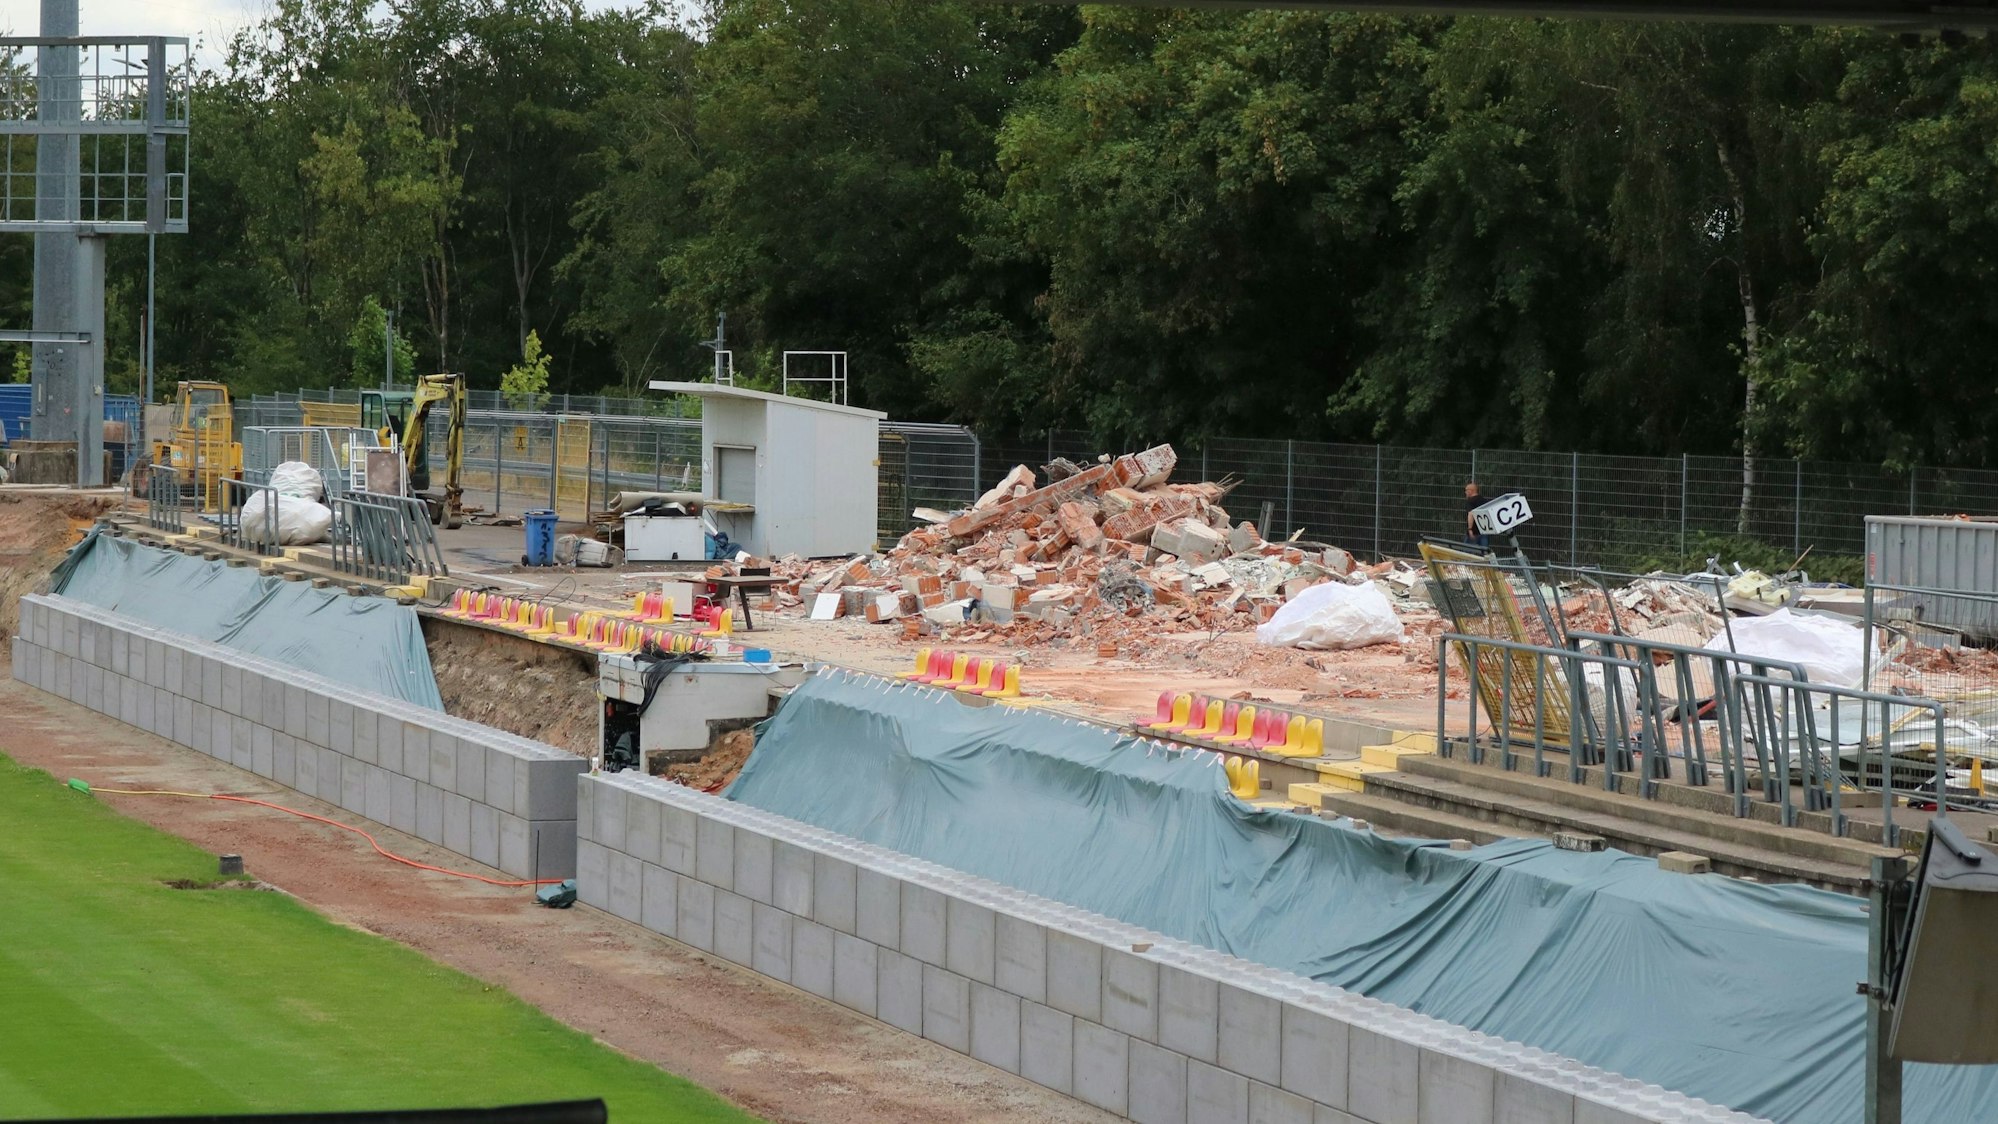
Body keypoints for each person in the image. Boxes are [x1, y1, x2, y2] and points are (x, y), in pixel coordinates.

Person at [1464, 481, 1490, 549]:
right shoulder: (1484, 500)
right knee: (1484, 551)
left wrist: (1470, 529)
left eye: (1466, 490)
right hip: (1484, 530)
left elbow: (1471, 514)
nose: (1465, 492)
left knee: (1467, 551)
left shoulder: (1470, 501)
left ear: (1471, 491)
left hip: (1474, 531)